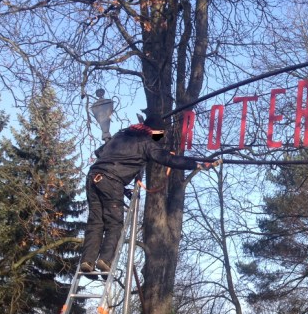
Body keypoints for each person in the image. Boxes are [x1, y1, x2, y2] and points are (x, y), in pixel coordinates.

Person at [80, 115, 216, 273]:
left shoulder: (120, 136)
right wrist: (197, 165)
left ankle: (87, 261)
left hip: (93, 177)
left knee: (96, 221)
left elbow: (100, 152)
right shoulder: (146, 144)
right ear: (153, 132)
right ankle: (105, 260)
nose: (159, 138)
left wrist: (121, 185)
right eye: (159, 134)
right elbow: (168, 159)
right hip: (112, 180)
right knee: (114, 223)